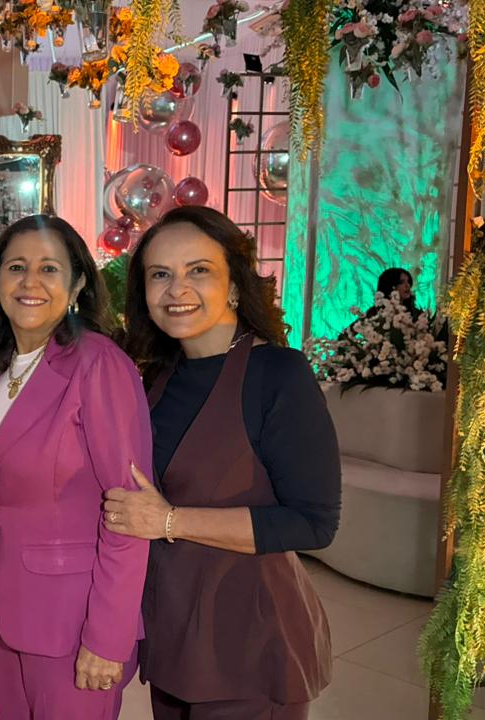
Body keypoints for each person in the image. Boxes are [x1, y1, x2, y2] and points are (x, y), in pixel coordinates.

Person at [109, 205, 340, 720]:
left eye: (199, 270)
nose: (177, 289)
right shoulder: (157, 378)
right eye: (160, 274)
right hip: (173, 633)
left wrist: (170, 521)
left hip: (249, 640)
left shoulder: (278, 374)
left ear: (234, 284)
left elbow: (314, 522)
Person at [0, 214, 151, 720]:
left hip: (74, 620)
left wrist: (107, 636)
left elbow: (131, 512)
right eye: (16, 267)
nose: (30, 282)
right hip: (7, 609)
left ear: (78, 284)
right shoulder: (0, 367)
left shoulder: (98, 363)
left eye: (49, 268)